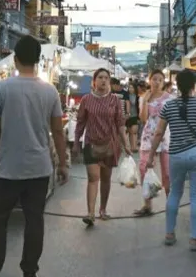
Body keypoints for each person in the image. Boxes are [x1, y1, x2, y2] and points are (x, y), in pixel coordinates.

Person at [0, 35, 68, 277]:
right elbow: (58, 131)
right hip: (39, 168)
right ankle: (30, 274)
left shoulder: (1, 88)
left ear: (15, 58)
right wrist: (64, 163)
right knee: (35, 220)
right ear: (38, 60)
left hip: (7, 168)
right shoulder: (50, 91)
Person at [146, 69, 196, 251]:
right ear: (193, 85)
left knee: (175, 193)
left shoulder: (168, 106)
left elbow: (158, 133)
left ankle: (169, 234)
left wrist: (151, 156)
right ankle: (194, 240)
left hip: (177, 155)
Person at [74, 68, 131, 226]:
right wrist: (77, 142)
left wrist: (126, 144)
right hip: (91, 143)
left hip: (110, 144)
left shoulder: (115, 100)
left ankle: (103, 209)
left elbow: (120, 123)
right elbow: (80, 122)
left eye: (106, 77)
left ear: (109, 81)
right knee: (93, 178)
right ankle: (90, 213)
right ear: (94, 81)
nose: (103, 80)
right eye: (100, 77)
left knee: (105, 179)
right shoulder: (86, 99)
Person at [134, 70, 172, 217]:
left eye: (160, 80)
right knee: (144, 168)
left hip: (166, 136)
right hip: (149, 135)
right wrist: (145, 101)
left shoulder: (170, 98)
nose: (157, 82)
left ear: (163, 82)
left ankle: (171, 203)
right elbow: (143, 119)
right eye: (154, 79)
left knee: (167, 172)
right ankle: (147, 205)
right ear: (149, 81)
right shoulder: (144, 97)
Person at [126, 81, 140, 153]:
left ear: (135, 88)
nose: (130, 89)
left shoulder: (138, 97)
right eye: (129, 87)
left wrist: (139, 117)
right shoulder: (126, 95)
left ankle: (134, 147)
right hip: (128, 116)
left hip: (135, 116)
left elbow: (139, 108)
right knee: (130, 132)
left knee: (134, 131)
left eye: (132, 87)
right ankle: (132, 147)